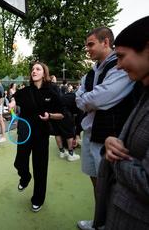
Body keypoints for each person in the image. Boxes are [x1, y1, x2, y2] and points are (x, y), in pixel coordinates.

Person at [75, 27, 135, 229]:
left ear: (106, 42)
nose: (87, 49)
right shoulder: (91, 72)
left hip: (109, 134)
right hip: (90, 132)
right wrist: (88, 100)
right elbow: (80, 97)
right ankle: (99, 221)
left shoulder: (119, 66)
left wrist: (87, 100)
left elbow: (103, 97)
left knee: (109, 185)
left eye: (91, 44)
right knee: (96, 182)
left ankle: (109, 223)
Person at [93, 16, 149, 230]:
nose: (118, 65)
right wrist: (111, 141)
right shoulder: (143, 91)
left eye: (122, 56)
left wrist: (113, 158)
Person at [8, 61, 64, 212]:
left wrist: (50, 115)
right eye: (32, 69)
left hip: (41, 134)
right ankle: (25, 177)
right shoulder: (25, 91)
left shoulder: (52, 90)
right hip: (25, 132)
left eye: (38, 69)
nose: (34, 71)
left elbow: (62, 114)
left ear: (44, 73)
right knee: (20, 162)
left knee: (40, 168)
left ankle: (38, 199)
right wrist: (12, 102)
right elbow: (14, 98)